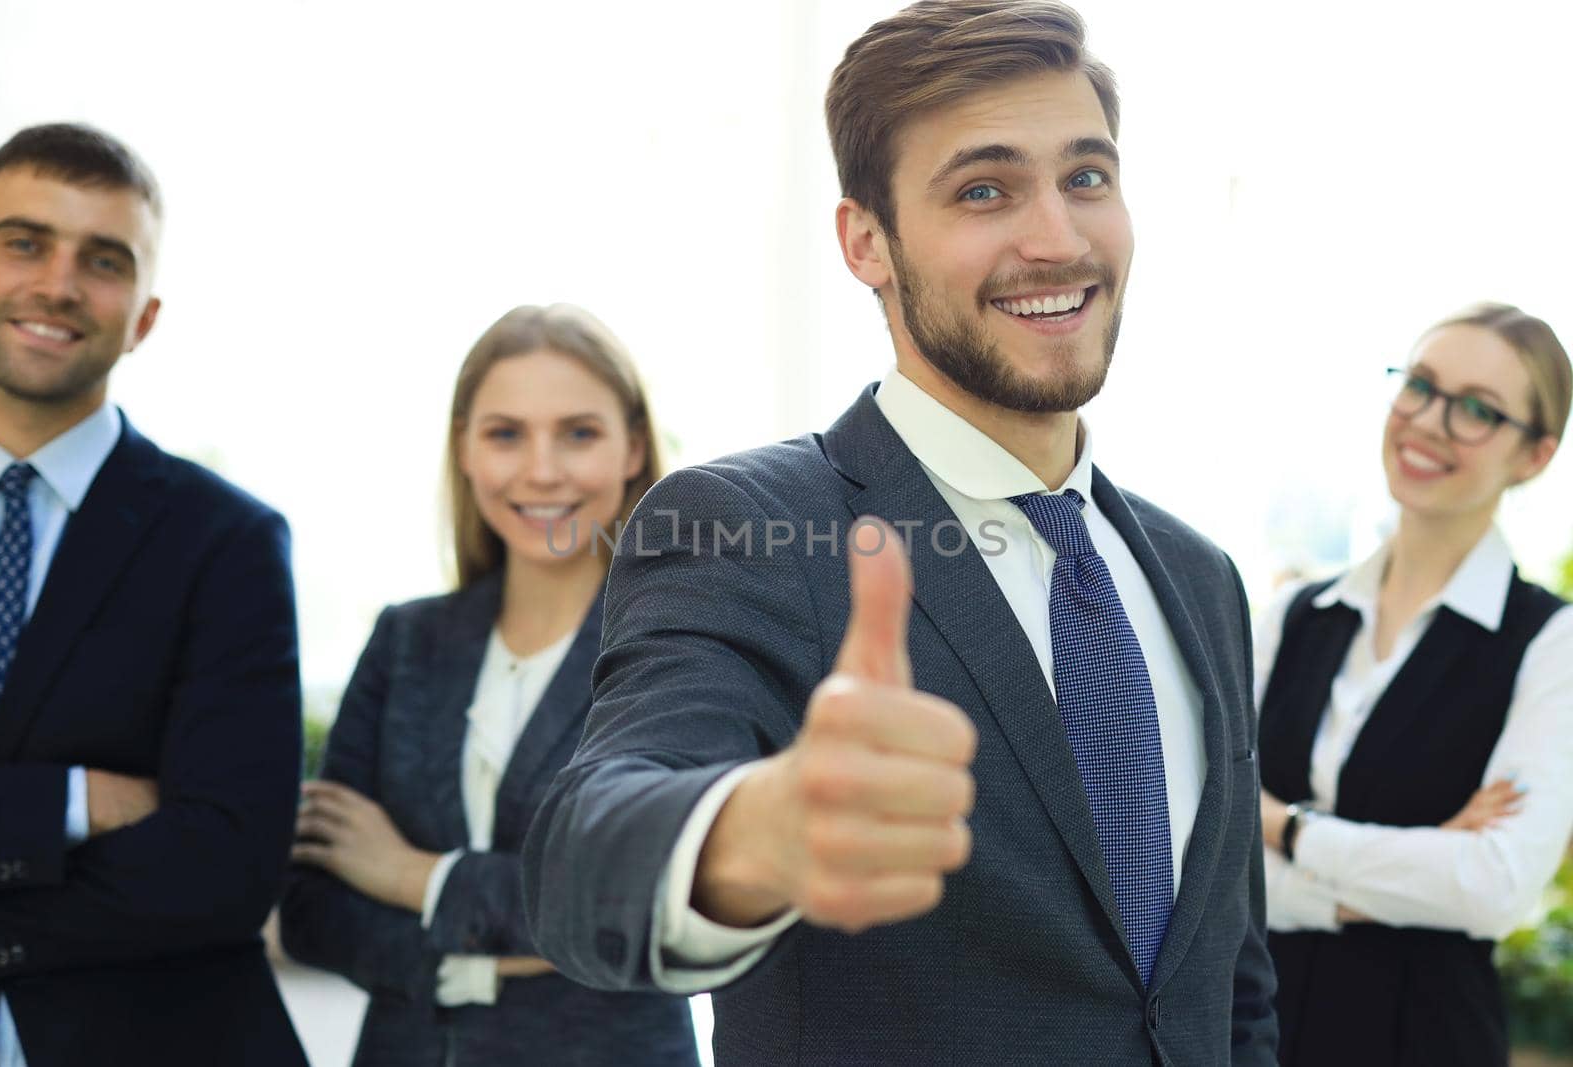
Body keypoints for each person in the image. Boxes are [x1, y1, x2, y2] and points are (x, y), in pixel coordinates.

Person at [522, 3, 1278, 1064]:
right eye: (984, 189)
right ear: (865, 241)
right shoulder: (749, 525)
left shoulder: (1201, 579)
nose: (1056, 236)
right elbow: (581, 850)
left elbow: (1230, 985)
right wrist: (755, 831)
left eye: (1086, 177)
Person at [279, 304, 700, 1067]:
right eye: (506, 433)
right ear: (465, 450)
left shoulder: (679, 646)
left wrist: (414, 875)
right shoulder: (407, 639)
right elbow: (311, 911)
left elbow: (651, 900)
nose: (541, 469)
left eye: (578, 432)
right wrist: (478, 960)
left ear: (634, 445)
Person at [0, 125, 306, 1066]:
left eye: (103, 260)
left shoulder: (229, 542)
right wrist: (76, 800)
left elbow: (227, 870)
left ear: (145, 316)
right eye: (25, 241)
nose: (58, 284)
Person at [1257, 303, 1573, 1067]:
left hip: (1425, 1041)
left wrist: (1282, 827)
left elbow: (1493, 887)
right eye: (1421, 386)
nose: (1430, 421)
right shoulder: (1294, 615)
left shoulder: (1552, 642)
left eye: (1476, 410)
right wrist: (1408, 870)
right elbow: (1196, 841)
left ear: (1534, 455)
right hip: (1253, 1033)